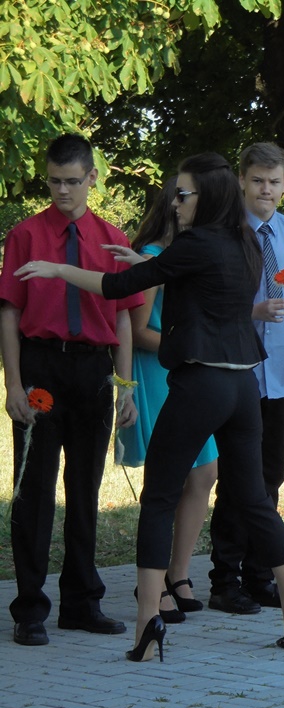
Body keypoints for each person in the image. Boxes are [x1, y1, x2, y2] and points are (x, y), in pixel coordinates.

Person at [16, 152, 284, 662]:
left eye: (183, 194)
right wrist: (149, 265)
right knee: (254, 499)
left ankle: (147, 622)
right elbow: (203, 283)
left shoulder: (197, 243)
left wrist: (60, 269)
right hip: (243, 387)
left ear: (207, 197)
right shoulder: (242, 242)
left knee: (158, 498)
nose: (174, 203)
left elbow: (113, 288)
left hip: (201, 385)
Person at [0, 134, 140, 647]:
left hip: (93, 370)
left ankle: (82, 602)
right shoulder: (26, 235)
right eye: (54, 181)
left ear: (92, 178)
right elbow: (9, 313)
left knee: (85, 489)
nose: (62, 190)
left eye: (72, 181)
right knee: (34, 490)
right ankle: (30, 608)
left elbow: (123, 319)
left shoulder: (111, 238)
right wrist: (14, 383)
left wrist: (125, 386)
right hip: (42, 364)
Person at [206, 142, 284, 614]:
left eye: (275, 182)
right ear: (241, 181)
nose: (266, 190)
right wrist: (254, 310)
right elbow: (210, 304)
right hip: (241, 373)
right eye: (257, 180)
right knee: (238, 480)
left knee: (271, 475)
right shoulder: (224, 232)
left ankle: (260, 574)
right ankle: (225, 579)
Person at [120, 179, 218, 623]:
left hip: (190, 373)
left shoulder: (195, 256)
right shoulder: (152, 256)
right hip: (159, 370)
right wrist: (187, 346)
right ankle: (153, 582)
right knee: (167, 480)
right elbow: (138, 329)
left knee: (205, 472)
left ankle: (179, 573)